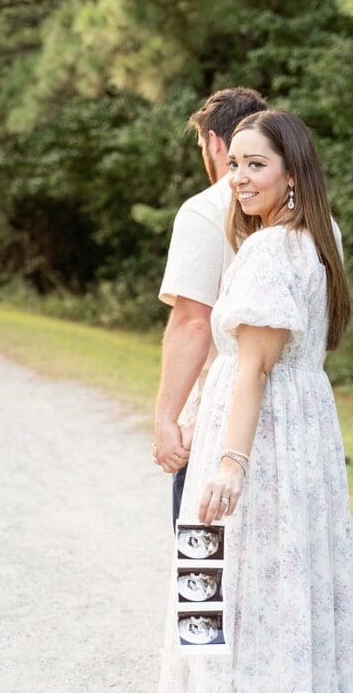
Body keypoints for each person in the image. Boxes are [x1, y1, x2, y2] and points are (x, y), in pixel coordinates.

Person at [158, 110, 353, 691]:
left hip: (254, 435)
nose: (240, 178)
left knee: (216, 573)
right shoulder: (317, 238)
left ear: (292, 173)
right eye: (234, 164)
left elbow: (254, 367)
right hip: (298, 432)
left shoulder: (270, 250)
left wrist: (231, 463)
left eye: (256, 164)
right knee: (281, 580)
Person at [153, 87, 268, 528]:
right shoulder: (318, 220)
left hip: (215, 422)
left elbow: (192, 324)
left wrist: (167, 419)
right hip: (295, 420)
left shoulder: (205, 210)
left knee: (206, 555)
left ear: (215, 142)